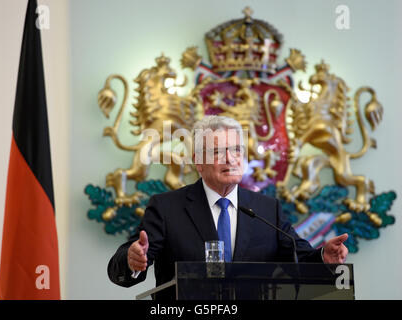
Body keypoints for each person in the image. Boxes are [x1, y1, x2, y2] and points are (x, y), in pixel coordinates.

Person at [107, 115, 348, 299]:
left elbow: (299, 258)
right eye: (218, 152)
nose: (230, 159)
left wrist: (323, 257)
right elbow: (123, 263)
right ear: (198, 161)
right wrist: (132, 261)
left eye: (236, 150)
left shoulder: (267, 209)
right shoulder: (166, 208)